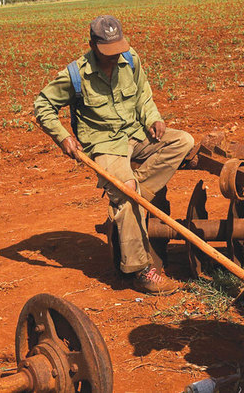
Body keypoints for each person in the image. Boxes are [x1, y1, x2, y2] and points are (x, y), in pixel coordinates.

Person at [34, 15, 194, 295]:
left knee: (183, 141)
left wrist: (153, 118)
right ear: (92, 46)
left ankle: (129, 197)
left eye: (117, 49)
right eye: (107, 51)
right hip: (104, 143)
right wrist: (63, 137)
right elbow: (43, 104)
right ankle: (141, 271)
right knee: (127, 191)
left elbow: (143, 94)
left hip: (135, 132)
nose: (114, 56)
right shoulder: (75, 75)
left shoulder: (130, 59)